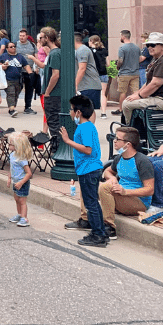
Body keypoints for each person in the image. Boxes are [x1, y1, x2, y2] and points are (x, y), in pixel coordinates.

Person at [59, 95, 109, 247]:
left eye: (72, 109)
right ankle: (100, 232)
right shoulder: (88, 126)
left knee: (91, 203)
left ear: (78, 112)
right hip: (88, 169)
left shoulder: (84, 127)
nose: (70, 112)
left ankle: (98, 235)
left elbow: (88, 150)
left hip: (89, 170)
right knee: (91, 202)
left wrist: (68, 141)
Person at [121, 32, 163, 124]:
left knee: (127, 104)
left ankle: (130, 133)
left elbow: (155, 83)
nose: (149, 47)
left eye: (153, 45)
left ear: (162, 46)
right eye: (148, 45)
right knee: (130, 99)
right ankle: (138, 130)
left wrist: (139, 96)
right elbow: (148, 83)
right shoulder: (158, 59)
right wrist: (137, 94)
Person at [37, 27, 63, 140]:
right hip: (55, 94)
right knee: (55, 123)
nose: (40, 40)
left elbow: (55, 74)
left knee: (54, 124)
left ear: (47, 38)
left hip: (53, 95)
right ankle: (56, 148)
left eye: (41, 37)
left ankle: (56, 149)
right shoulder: (55, 53)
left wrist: (47, 92)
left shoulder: (55, 53)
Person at [6, 132, 33, 226]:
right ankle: (19, 214)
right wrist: (9, 178)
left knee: (22, 201)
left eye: (11, 144)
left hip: (22, 182)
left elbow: (29, 173)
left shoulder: (21, 159)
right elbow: (11, 168)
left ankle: (24, 218)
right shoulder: (12, 155)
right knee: (17, 199)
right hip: (15, 181)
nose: (9, 146)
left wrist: (21, 182)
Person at [73, 32, 103, 114]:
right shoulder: (80, 50)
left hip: (89, 86)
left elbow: (82, 68)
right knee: (86, 112)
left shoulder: (82, 50)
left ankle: (88, 126)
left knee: (88, 112)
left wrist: (75, 85)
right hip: (86, 86)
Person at [0, 40, 28, 118]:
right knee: (11, 93)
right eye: (11, 47)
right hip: (8, 79)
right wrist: (3, 65)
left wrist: (31, 74)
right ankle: (11, 110)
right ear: (7, 48)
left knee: (16, 94)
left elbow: (26, 65)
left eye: (14, 46)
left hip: (18, 79)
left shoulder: (20, 56)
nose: (13, 48)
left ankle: (12, 107)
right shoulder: (4, 56)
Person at [114, 30, 141, 112]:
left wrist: (118, 67)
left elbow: (120, 60)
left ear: (123, 36)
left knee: (122, 92)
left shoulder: (122, 48)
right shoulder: (137, 47)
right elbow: (139, 59)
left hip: (124, 73)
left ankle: (121, 109)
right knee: (135, 92)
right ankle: (136, 109)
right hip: (135, 73)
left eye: (120, 36)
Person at [14, 28, 39, 113]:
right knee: (17, 88)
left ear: (27, 36)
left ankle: (27, 107)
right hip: (18, 71)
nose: (21, 37)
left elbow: (36, 57)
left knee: (29, 89)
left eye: (23, 36)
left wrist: (37, 68)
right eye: (20, 36)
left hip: (30, 71)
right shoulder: (15, 44)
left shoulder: (32, 45)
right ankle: (12, 106)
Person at [89, 34, 109, 119]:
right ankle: (103, 112)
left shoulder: (89, 51)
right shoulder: (104, 50)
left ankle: (90, 112)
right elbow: (108, 64)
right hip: (104, 73)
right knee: (103, 94)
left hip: (94, 74)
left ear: (92, 41)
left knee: (91, 92)